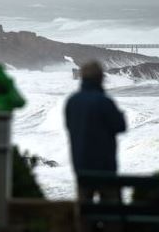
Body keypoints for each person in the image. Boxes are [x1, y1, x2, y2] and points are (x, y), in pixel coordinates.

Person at [65, 61, 126, 231]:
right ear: (100, 79)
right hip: (105, 167)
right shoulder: (104, 102)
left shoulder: (72, 102)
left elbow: (70, 127)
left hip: (81, 166)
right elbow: (120, 126)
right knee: (111, 216)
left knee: (84, 216)